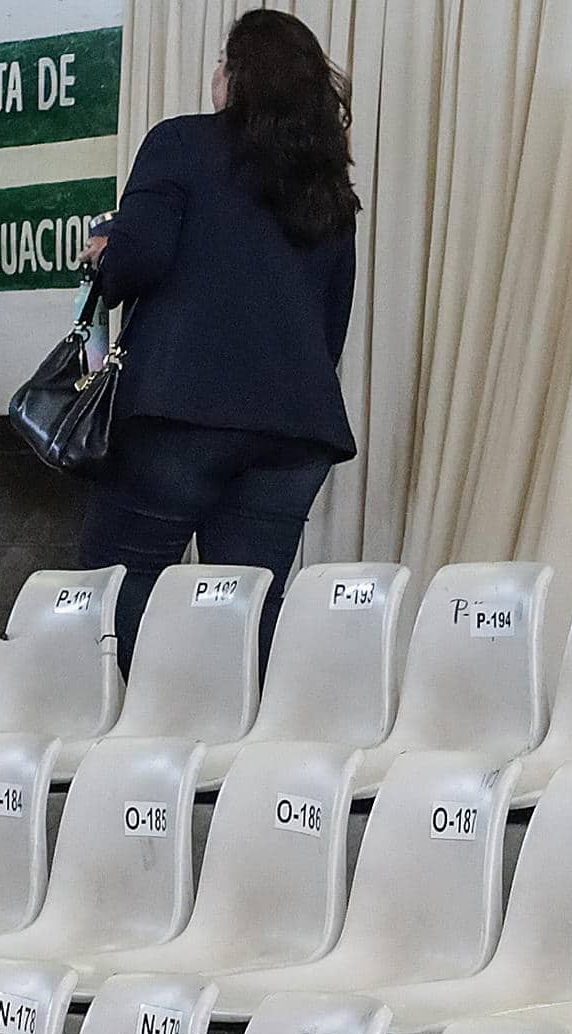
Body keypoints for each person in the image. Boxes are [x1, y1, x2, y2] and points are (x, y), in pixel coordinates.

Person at [78, 10, 361, 672]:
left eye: (222, 61)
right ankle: (230, 759)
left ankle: (126, 752)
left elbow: (137, 261)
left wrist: (104, 254)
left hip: (182, 412)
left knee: (114, 588)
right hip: (295, 431)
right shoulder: (327, 182)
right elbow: (331, 319)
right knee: (244, 607)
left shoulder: (179, 143)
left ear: (239, 77)